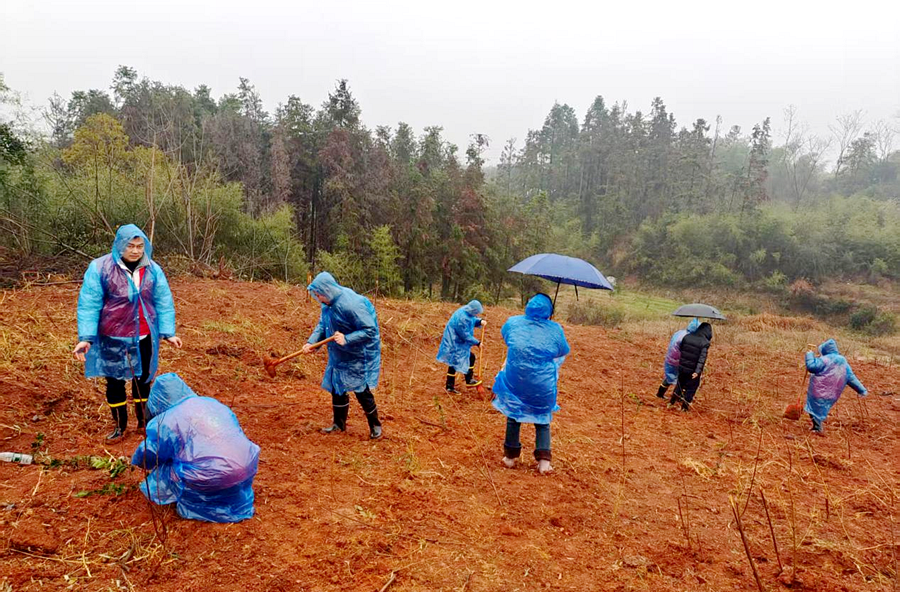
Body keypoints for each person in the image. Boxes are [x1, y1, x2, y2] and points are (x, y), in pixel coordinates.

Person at [73, 224, 182, 440]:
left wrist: (168, 331)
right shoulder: (100, 268)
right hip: (112, 335)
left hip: (144, 334)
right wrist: (86, 338)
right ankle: (119, 426)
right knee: (114, 381)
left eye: (140, 246)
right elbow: (89, 303)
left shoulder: (153, 269)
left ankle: (144, 423)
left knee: (143, 380)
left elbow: (163, 300)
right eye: (130, 246)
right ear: (119, 245)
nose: (135, 250)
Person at [131, 373, 260, 523]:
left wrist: (136, 461)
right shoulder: (211, 403)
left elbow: (150, 454)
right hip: (247, 465)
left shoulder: (166, 421)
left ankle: (198, 504)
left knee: (167, 466)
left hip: (213, 477)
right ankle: (230, 494)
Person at [492, 293, 570, 475]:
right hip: (542, 384)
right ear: (549, 311)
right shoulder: (556, 329)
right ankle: (544, 463)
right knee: (542, 418)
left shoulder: (512, 322)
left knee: (513, 414)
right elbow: (563, 350)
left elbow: (506, 337)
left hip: (515, 380)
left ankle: (510, 458)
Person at [304, 272, 383, 439]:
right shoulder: (327, 303)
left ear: (327, 290)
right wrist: (312, 343)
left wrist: (347, 338)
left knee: (361, 390)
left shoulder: (352, 305)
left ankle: (375, 425)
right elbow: (322, 325)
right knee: (337, 387)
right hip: (338, 354)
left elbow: (369, 330)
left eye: (318, 294)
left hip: (356, 354)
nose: (317, 298)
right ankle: (338, 425)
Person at [804, 339, 867, 435]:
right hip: (832, 393)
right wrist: (861, 390)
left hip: (818, 391)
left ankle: (817, 427)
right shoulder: (843, 361)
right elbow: (851, 378)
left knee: (814, 408)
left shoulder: (825, 360)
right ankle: (817, 426)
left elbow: (812, 367)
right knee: (821, 408)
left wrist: (809, 355)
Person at [436, 300, 486, 393]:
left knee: (462, 359)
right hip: (454, 341)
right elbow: (465, 335)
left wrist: (480, 321)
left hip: (458, 341)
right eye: (477, 313)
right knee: (458, 360)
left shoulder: (466, 311)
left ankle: (465, 381)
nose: (477, 314)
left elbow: (472, 319)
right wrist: (477, 343)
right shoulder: (461, 319)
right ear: (473, 310)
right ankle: (454, 385)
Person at [670, 322, 713, 412]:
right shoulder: (705, 343)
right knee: (691, 388)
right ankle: (684, 408)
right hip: (693, 370)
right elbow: (702, 359)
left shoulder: (687, 337)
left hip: (682, 367)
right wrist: (697, 372)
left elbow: (681, 349)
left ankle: (671, 402)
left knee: (679, 384)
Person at [656, 318, 700, 400]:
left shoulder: (680, 332)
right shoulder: (689, 338)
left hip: (670, 358)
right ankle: (678, 397)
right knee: (684, 378)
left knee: (669, 376)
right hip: (679, 361)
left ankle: (660, 393)